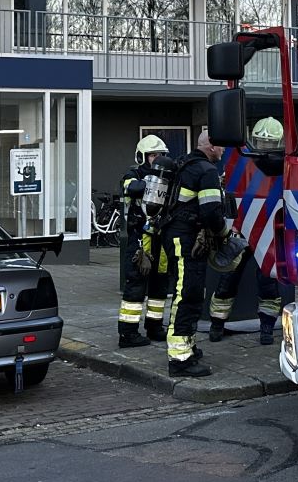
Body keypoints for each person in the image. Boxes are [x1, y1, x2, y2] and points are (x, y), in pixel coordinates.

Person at [209, 118, 286, 345]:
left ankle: (267, 328)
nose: (263, 147)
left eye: (269, 143)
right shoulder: (241, 159)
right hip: (240, 227)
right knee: (228, 279)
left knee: (268, 282)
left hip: (269, 230)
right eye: (261, 142)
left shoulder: (285, 164)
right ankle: (217, 324)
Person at [161, 128, 227, 377]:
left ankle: (187, 346)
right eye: (220, 146)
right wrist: (224, 236)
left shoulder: (185, 164)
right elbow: (211, 211)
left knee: (190, 293)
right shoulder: (207, 171)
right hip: (186, 239)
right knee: (186, 294)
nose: (223, 150)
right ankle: (179, 359)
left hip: (179, 236)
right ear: (210, 146)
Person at [117, 135, 169, 348]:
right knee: (136, 286)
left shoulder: (168, 176)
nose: (156, 159)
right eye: (152, 155)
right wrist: (152, 178)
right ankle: (128, 334)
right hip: (140, 239)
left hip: (161, 238)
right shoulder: (134, 174)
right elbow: (132, 188)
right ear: (142, 156)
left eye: (160, 155)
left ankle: (155, 327)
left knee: (160, 286)